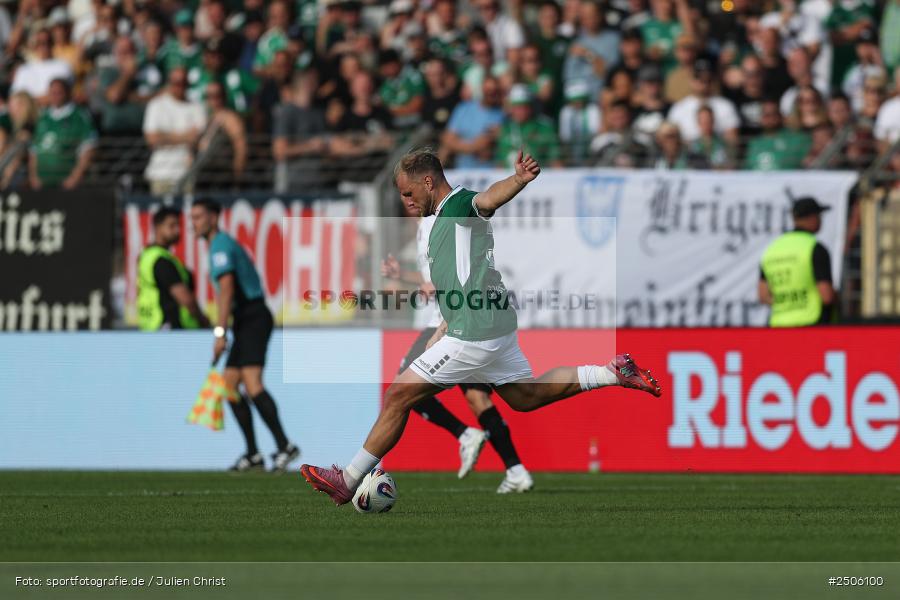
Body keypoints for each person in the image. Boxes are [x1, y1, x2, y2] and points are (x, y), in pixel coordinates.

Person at [300, 149, 661, 506]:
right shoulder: (438, 220)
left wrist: (518, 180)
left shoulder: (459, 206)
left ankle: (347, 480)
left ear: (428, 182)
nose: (406, 201)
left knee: (398, 395)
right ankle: (612, 373)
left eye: (408, 193)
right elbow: (454, 282)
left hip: (475, 331)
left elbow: (487, 200)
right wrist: (444, 322)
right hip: (491, 323)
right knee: (525, 397)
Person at [381, 213, 534, 493]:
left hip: (448, 323)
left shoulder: (432, 225)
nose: (407, 200)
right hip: (461, 323)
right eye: (403, 195)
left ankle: (464, 435)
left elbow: (450, 274)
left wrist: (433, 293)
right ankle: (516, 470)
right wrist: (404, 276)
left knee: (402, 389)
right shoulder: (425, 227)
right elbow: (432, 279)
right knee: (477, 398)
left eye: (409, 192)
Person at [190, 197, 300, 472]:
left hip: (252, 316)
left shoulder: (220, 247)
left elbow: (226, 289)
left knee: (252, 383)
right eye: (191, 217)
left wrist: (219, 332)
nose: (194, 223)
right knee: (228, 387)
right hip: (244, 319)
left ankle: (285, 446)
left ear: (214, 217)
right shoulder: (219, 246)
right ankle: (253, 453)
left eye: (199, 216)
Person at [759, 197, 836, 327]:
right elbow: (826, 296)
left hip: (779, 325)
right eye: (819, 216)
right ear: (812, 217)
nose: (820, 220)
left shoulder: (772, 249)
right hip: (812, 324)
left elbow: (763, 295)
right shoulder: (815, 248)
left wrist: (787, 303)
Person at [137, 207, 210, 331]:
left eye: (178, 225)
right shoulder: (161, 261)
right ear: (157, 227)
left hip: (150, 328)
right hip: (169, 329)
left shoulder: (146, 255)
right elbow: (186, 299)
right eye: (171, 226)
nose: (177, 230)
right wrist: (203, 321)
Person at [142, 67, 207, 196]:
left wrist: (165, 136)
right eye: (176, 83)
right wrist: (185, 136)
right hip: (160, 173)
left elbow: (198, 139)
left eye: (183, 83)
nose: (180, 86)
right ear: (169, 83)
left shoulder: (197, 107)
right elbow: (151, 139)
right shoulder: (156, 105)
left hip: (187, 173)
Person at [28, 79, 97, 190]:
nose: (55, 96)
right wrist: (33, 177)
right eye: (52, 93)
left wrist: (75, 177)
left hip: (67, 184)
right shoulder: (42, 117)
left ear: (68, 93)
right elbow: (34, 151)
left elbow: (88, 148)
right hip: (42, 184)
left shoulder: (79, 116)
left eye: (58, 92)